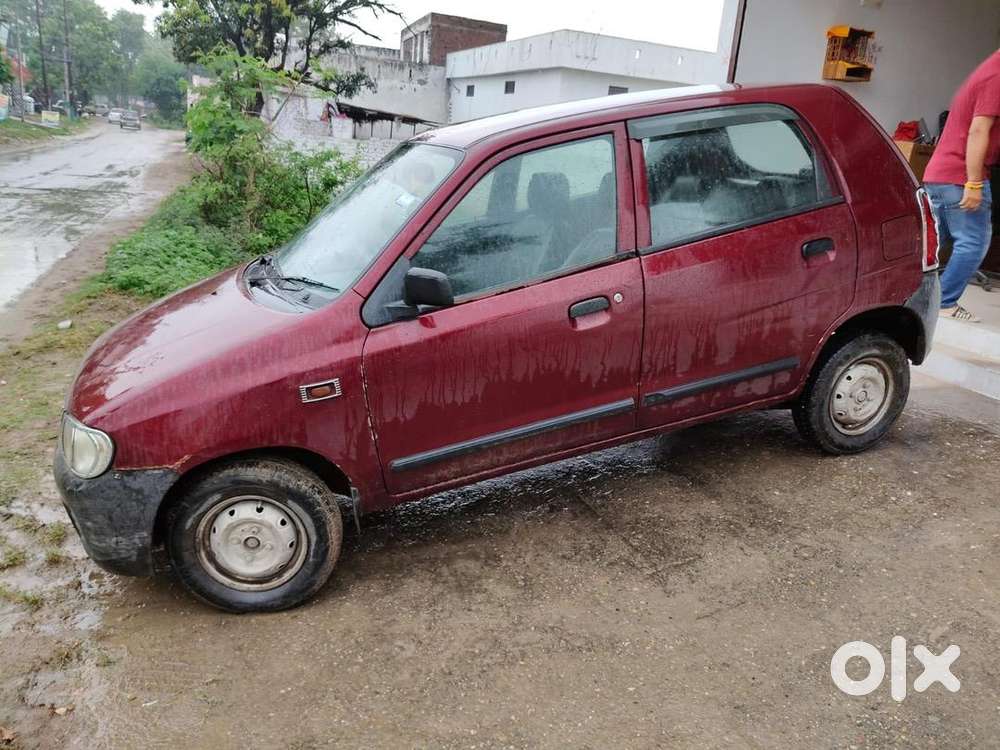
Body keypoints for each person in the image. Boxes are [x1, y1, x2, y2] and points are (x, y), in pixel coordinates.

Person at [923, 50, 1000, 323]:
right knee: (973, 242)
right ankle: (945, 302)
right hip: (960, 176)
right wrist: (975, 182)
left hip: (940, 175)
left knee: (929, 247)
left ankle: (909, 297)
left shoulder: (987, 71)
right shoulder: (997, 75)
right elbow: (978, 130)